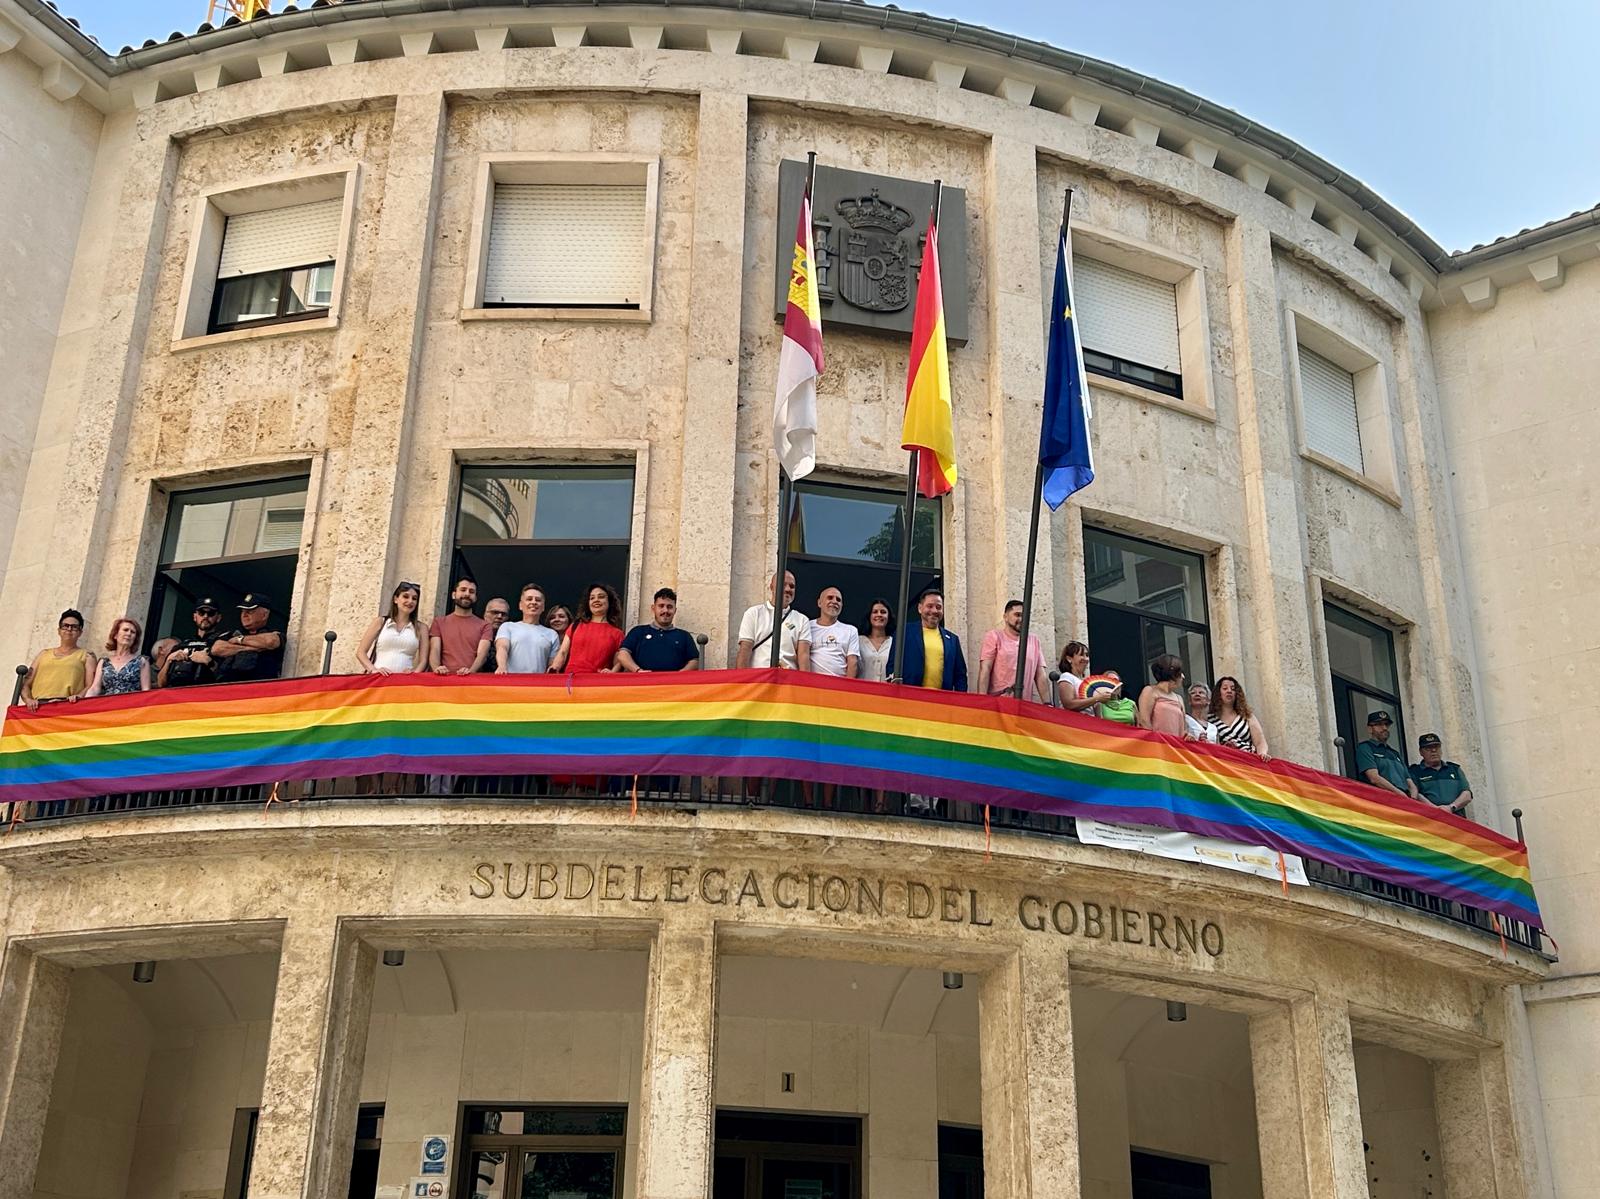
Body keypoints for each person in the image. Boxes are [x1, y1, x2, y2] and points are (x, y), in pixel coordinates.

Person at [21, 609, 96, 710]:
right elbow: (26, 683)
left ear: (80, 632)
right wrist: (28, 700)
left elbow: (91, 686)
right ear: (59, 630)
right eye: (65, 626)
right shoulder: (43, 654)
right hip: (38, 707)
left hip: (67, 706)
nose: (69, 629)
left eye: (74, 627)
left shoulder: (87, 655)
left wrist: (79, 697)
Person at [977, 600, 1050, 702]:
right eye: (1017, 615)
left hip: (1024, 704)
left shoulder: (1034, 640)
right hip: (999, 702)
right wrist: (982, 700)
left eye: (1024, 615)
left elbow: (1040, 675)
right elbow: (985, 669)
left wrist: (1048, 704)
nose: (1021, 619)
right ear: (1005, 617)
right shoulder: (994, 636)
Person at [897, 589, 968, 691]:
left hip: (941, 701)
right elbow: (892, 666)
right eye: (930, 606)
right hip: (910, 698)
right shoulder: (904, 633)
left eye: (938, 607)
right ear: (920, 608)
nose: (934, 611)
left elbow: (960, 675)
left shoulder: (952, 640)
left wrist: (960, 701)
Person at [735, 571, 809, 669]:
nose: (788, 589)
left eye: (792, 586)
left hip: (788, 680)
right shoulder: (754, 613)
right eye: (783, 584)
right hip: (760, 679)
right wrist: (742, 681)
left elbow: (803, 656)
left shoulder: (802, 620)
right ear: (771, 587)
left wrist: (804, 683)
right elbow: (745, 650)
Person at [617, 588, 700, 673]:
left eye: (669, 607)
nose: (665, 610)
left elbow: (695, 661)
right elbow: (622, 655)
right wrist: (638, 671)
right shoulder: (638, 632)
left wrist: (679, 675)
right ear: (653, 608)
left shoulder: (684, 636)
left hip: (674, 685)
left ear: (675, 610)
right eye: (661, 606)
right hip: (642, 683)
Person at [551, 583, 625, 673]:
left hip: (596, 683)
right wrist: (554, 669)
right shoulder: (575, 626)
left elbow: (618, 662)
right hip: (571, 680)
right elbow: (563, 652)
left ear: (610, 602)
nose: (596, 600)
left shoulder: (617, 634)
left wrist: (612, 672)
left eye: (601, 597)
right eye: (592, 598)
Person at [211, 593, 286, 682]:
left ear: (264, 615)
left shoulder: (273, 633)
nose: (244, 615)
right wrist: (254, 647)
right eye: (243, 611)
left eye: (250, 611)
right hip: (229, 689)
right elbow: (216, 648)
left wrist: (239, 640)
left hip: (260, 689)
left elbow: (270, 641)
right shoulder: (231, 634)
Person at [356, 582, 426, 674]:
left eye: (414, 599)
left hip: (405, 682)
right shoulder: (380, 622)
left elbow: (423, 660)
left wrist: (414, 673)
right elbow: (361, 652)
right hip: (379, 679)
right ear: (395, 599)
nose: (410, 601)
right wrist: (373, 670)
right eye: (405, 596)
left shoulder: (421, 628)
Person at [429, 577, 491, 675]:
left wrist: (470, 671)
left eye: (471, 592)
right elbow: (434, 650)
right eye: (463, 590)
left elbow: (482, 655)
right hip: (444, 679)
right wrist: (437, 669)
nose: (467, 594)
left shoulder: (485, 625)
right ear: (454, 595)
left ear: (475, 597)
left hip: (472, 682)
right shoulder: (439, 622)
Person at [158, 598, 224, 688]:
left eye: (210, 613)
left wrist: (209, 662)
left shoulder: (223, 643)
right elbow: (161, 684)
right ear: (194, 616)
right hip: (178, 696)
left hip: (207, 696)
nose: (205, 616)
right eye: (201, 612)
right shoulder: (182, 645)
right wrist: (169, 660)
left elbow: (230, 680)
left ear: (218, 618)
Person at [496, 584, 562, 674]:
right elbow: (502, 647)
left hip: (536, 685)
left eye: (538, 600)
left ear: (543, 607)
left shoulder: (552, 634)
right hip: (510, 683)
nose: (534, 602)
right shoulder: (508, 626)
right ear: (520, 605)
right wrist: (501, 666)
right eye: (529, 599)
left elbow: (551, 665)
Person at [1355, 711, 1421, 799]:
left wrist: (1412, 799)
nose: (1384, 728)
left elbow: (1410, 783)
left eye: (1386, 724)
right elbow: (1374, 778)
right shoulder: (1365, 748)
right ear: (1369, 729)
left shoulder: (1395, 753)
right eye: (1379, 724)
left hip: (1404, 800)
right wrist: (1400, 794)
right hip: (1383, 800)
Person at [796, 587, 859, 677]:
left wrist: (848, 688)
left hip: (839, 685)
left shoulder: (851, 630)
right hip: (813, 685)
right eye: (830, 598)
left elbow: (852, 662)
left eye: (838, 600)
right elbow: (801, 655)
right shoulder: (806, 626)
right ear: (819, 603)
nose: (834, 601)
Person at [86, 617, 151, 697]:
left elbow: (146, 691)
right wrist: (84, 704)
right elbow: (95, 688)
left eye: (133, 632)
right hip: (109, 706)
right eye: (125, 630)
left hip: (131, 706)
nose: (129, 634)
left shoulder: (141, 661)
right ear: (115, 635)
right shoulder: (104, 662)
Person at [1410, 733, 1474, 815]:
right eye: (1428, 748)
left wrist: (1451, 807)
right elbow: (1415, 794)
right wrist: (1436, 809)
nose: (1433, 751)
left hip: (1456, 820)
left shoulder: (1454, 769)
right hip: (1430, 819)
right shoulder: (1415, 771)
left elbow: (1467, 794)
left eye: (1436, 747)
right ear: (1421, 752)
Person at [1208, 676, 1269, 757]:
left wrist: (1262, 754)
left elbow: (1260, 742)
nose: (1229, 691)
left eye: (1233, 689)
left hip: (1248, 760)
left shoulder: (1247, 715)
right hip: (1225, 761)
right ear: (1218, 693)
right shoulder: (1210, 719)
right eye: (1225, 688)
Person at [1055, 641, 1117, 715]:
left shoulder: (1084, 682)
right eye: (1081, 655)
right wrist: (1097, 698)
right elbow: (1069, 704)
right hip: (1074, 722)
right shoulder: (1066, 677)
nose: (1085, 659)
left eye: (1087, 655)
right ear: (1069, 659)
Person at [1137, 654, 1190, 737]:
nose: (1183, 677)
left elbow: (1183, 730)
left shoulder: (1179, 698)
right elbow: (1144, 721)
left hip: (1175, 746)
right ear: (1172, 674)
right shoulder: (1150, 691)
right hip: (1157, 745)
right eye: (1180, 673)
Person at [857, 599, 895, 683]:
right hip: (861, 692)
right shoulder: (858, 641)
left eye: (883, 612)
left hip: (887, 693)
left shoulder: (894, 643)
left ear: (888, 617)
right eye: (875, 612)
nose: (879, 614)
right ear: (869, 616)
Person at [478, 597, 512, 672]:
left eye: (504, 614)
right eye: (495, 612)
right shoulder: (474, 635)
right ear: (485, 615)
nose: (499, 616)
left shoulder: (513, 639)